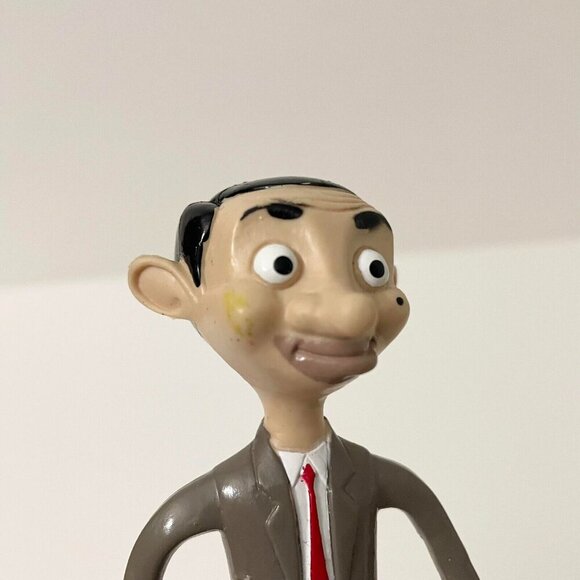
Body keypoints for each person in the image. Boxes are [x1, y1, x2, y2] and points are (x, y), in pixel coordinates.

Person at [124, 177, 479, 580]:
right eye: (280, 265)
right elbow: (153, 549)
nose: (352, 311)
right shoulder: (228, 490)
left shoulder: (372, 477)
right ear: (174, 291)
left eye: (373, 270)